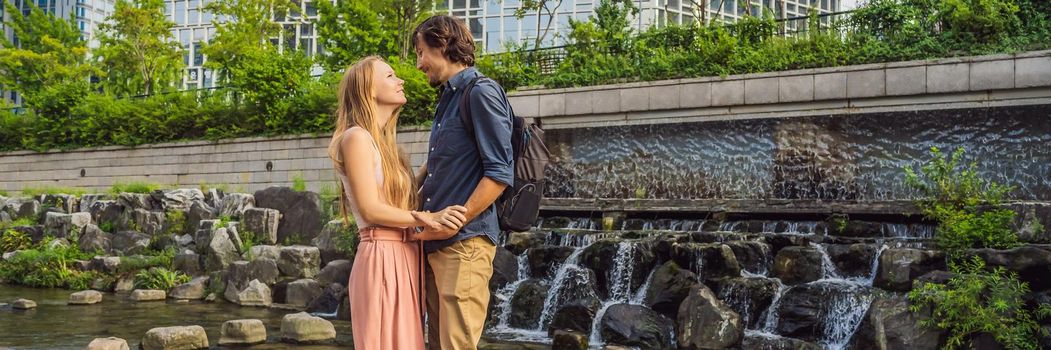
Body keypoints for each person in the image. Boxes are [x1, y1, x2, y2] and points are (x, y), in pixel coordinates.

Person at [327, 55, 469, 350]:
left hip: (404, 253)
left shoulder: (386, 146)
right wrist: (427, 217)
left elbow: (397, 199)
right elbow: (370, 208)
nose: (401, 80)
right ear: (369, 90)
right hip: (381, 256)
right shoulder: (356, 138)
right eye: (390, 76)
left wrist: (437, 162)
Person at [412, 15, 515, 350]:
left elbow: (499, 172)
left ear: (442, 45)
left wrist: (456, 221)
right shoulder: (449, 98)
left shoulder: (481, 92)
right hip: (437, 243)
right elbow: (444, 163)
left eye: (421, 52)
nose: (418, 64)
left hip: (464, 244)